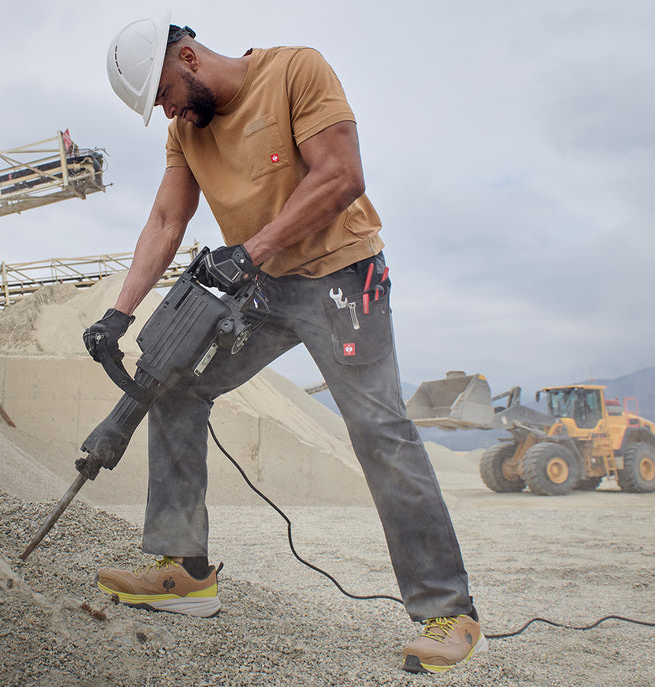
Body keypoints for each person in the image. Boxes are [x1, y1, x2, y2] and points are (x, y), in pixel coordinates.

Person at [89, 15, 485, 674]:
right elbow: (166, 218)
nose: (167, 110)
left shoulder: (296, 71)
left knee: (378, 428)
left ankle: (450, 611)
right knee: (174, 383)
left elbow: (340, 176)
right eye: (158, 105)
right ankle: (183, 566)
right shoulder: (185, 134)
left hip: (343, 278)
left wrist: (252, 250)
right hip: (264, 288)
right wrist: (117, 315)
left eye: (164, 93)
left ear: (188, 57)